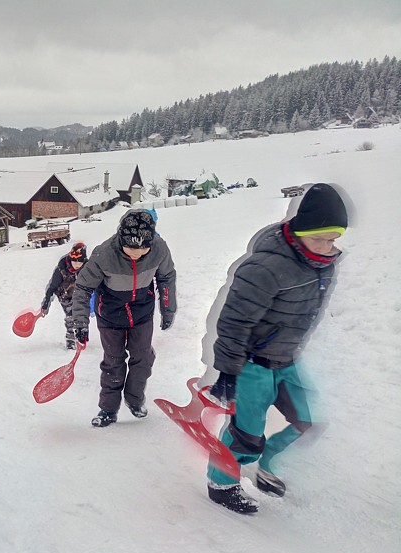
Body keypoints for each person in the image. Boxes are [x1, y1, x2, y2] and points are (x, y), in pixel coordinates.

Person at [204, 183, 348, 514]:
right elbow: (234, 321)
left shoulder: (322, 263)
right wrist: (227, 370)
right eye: (319, 239)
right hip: (253, 363)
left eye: (332, 240)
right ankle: (221, 484)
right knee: (246, 434)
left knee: (309, 420)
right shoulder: (265, 268)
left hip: (287, 358)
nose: (327, 247)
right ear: (299, 231)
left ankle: (267, 465)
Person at [71, 210, 177, 427]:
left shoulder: (159, 248)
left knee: (143, 359)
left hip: (142, 312)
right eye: (131, 250)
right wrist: (80, 322)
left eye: (142, 249)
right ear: (121, 239)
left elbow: (166, 277)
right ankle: (108, 409)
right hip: (110, 315)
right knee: (114, 362)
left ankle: (134, 399)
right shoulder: (104, 255)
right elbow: (82, 288)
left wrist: (168, 309)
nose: (136, 255)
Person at [41, 242, 89, 349]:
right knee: (71, 316)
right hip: (65, 294)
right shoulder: (61, 268)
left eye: (79, 261)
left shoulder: (87, 268)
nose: (76, 264)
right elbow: (52, 286)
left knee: (81, 315)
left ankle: (82, 335)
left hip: (81, 294)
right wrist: (46, 302)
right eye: (74, 261)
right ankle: (71, 338)